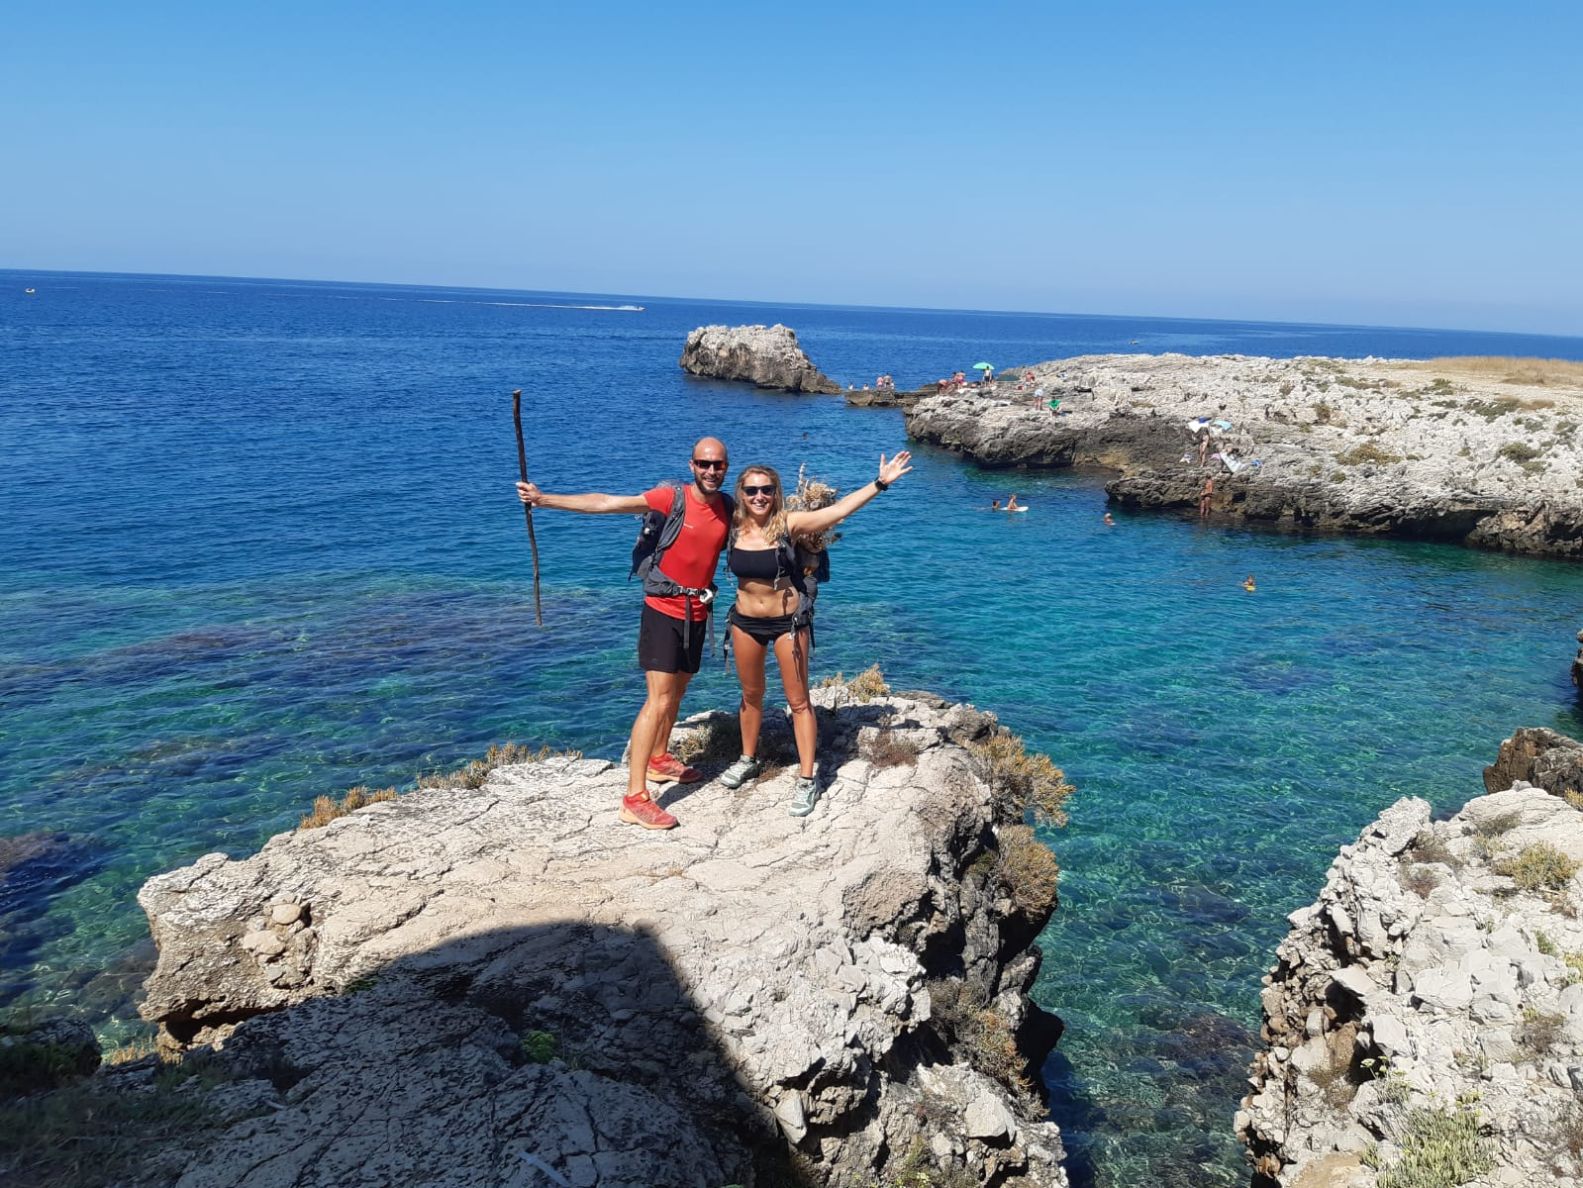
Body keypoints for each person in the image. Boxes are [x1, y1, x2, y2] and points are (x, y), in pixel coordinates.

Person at [516, 438, 732, 831]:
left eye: (718, 465)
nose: (711, 471)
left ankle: (658, 759)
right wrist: (546, 500)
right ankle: (634, 798)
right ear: (692, 465)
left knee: (679, 691)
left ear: (726, 467)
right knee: (658, 698)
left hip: (698, 610)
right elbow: (606, 502)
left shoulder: (728, 507)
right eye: (704, 464)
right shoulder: (671, 498)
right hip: (663, 610)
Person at [717, 452, 914, 816]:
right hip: (744, 622)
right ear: (741, 493)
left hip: (787, 624)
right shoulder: (732, 527)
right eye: (751, 490)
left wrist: (880, 483)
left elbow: (838, 512)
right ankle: (748, 759)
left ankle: (807, 779)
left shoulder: (789, 524)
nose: (759, 496)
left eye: (766, 490)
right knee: (751, 694)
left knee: (799, 701)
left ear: (775, 493)